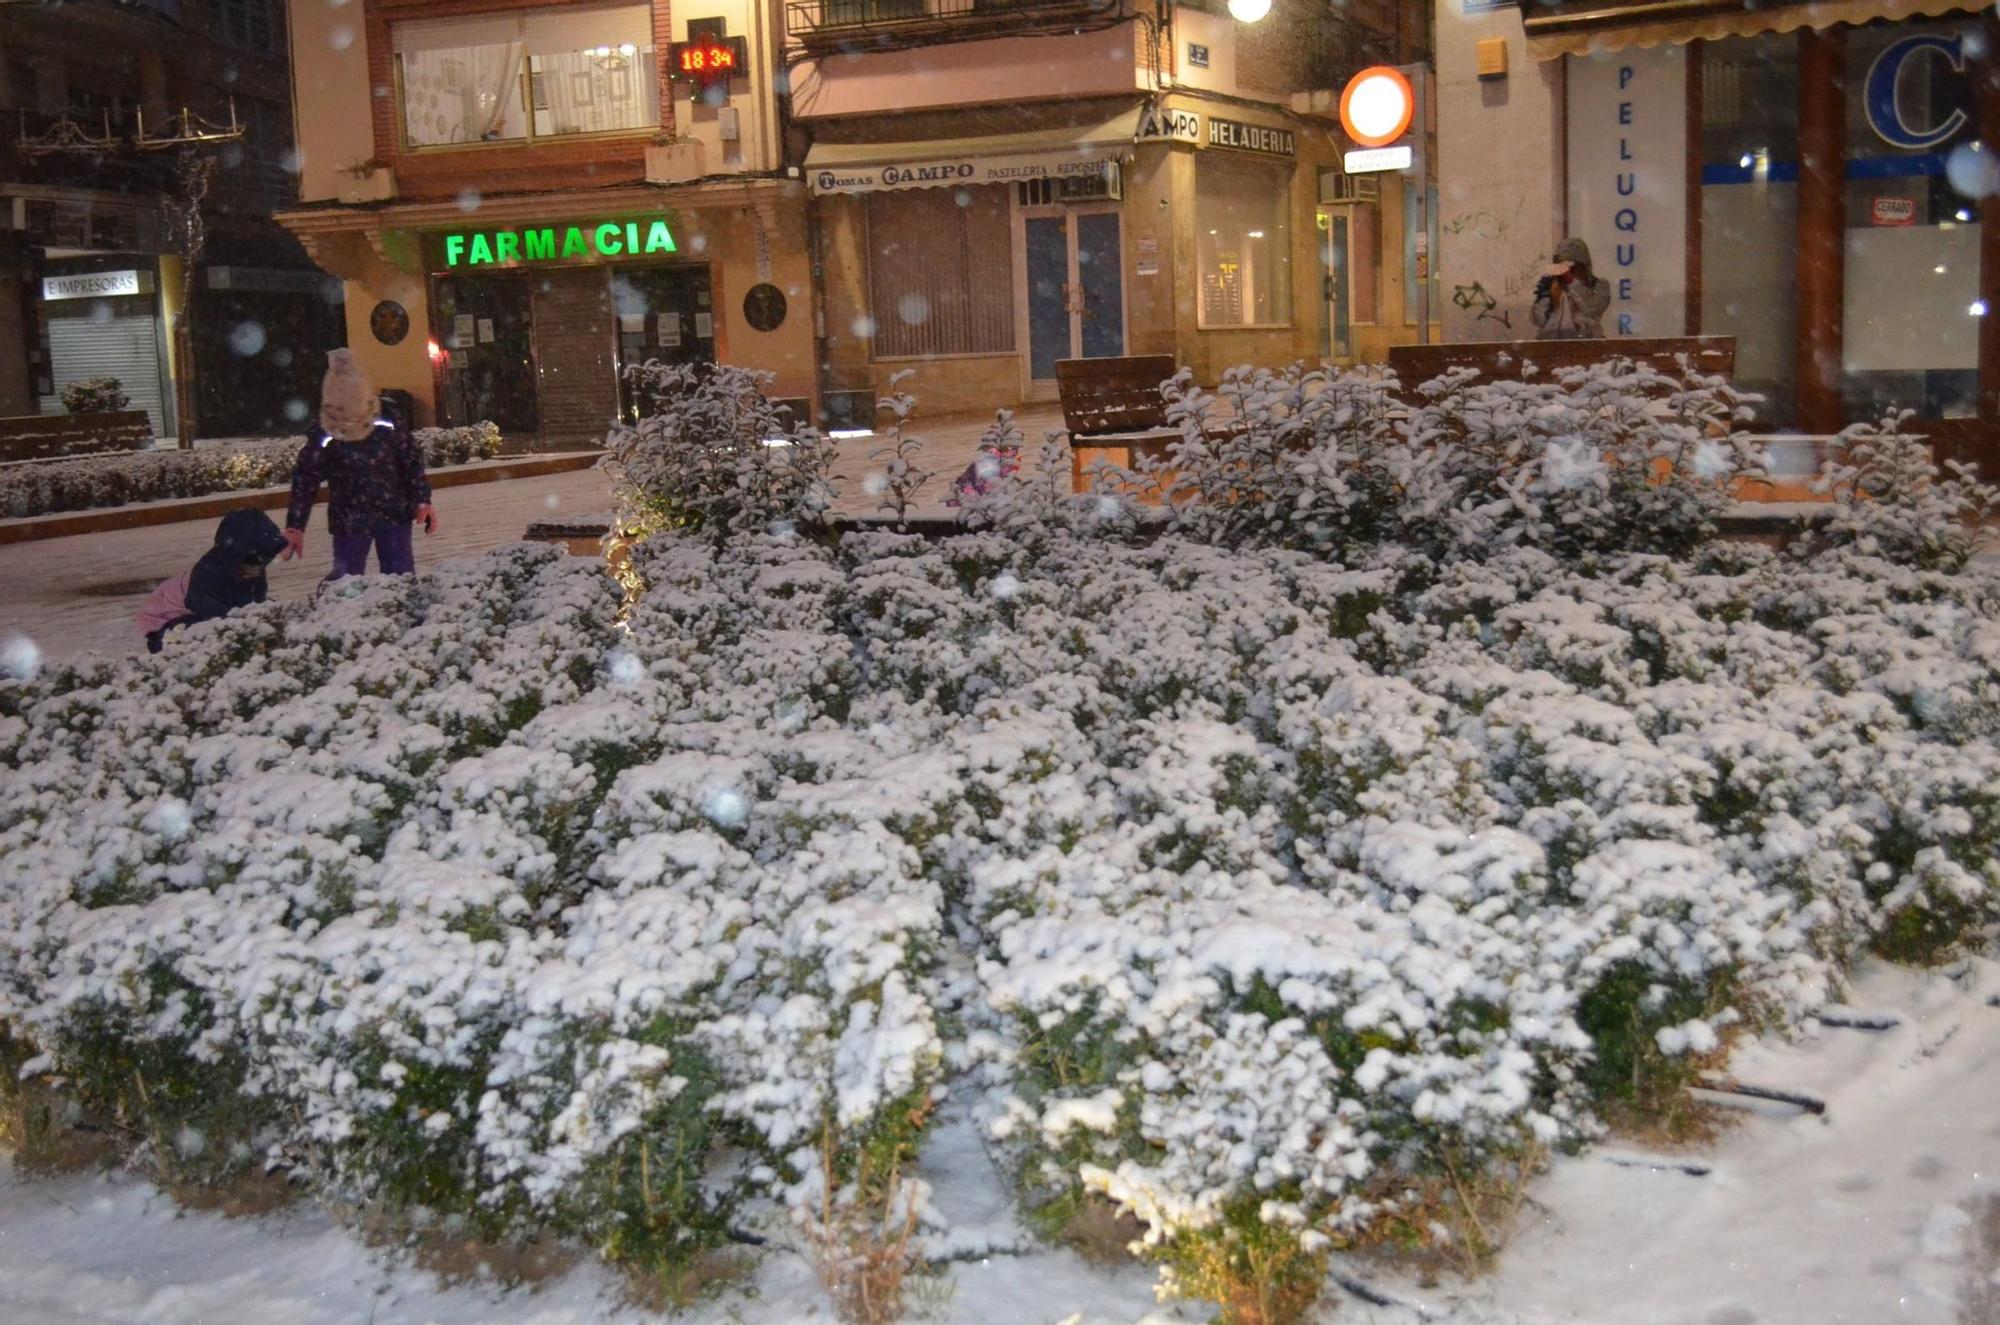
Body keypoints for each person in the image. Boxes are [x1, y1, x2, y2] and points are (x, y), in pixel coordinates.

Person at [282, 349, 438, 579]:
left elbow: (410, 460)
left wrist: (422, 499)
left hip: (393, 511)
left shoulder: (389, 418)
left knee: (400, 578)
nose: (352, 427)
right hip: (349, 517)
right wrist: (295, 526)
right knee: (346, 582)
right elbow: (306, 478)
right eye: (344, 423)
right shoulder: (324, 432)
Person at [136, 507, 290, 653]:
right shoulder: (207, 574)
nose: (257, 564)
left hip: (202, 613)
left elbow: (255, 601)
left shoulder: (251, 568)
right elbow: (218, 616)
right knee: (205, 630)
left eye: (263, 558)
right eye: (254, 558)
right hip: (165, 628)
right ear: (235, 553)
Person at [1531, 237, 1612, 340]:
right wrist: (1545, 295)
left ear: (1584, 267)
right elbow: (1539, 320)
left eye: (1573, 268)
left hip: (1587, 344)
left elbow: (1592, 308)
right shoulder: (1555, 286)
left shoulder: (1599, 285)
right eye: (1563, 267)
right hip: (1552, 345)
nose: (1567, 272)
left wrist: (1572, 282)